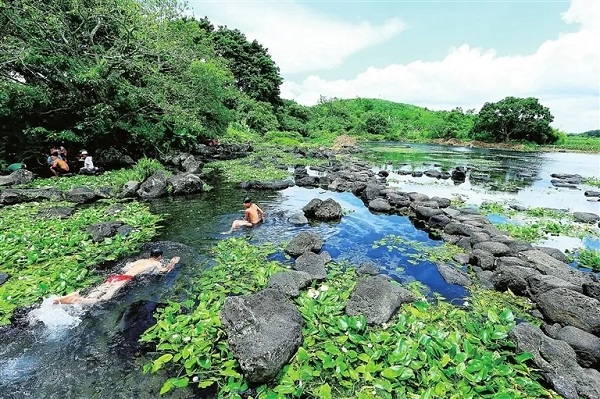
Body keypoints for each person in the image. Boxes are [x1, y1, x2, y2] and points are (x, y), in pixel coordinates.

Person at [53, 249, 180, 305]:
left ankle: (73, 295)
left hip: (117, 276)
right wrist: (173, 262)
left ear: (150, 255)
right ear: (159, 257)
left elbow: (126, 268)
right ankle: (75, 300)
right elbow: (165, 271)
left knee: (96, 292)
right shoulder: (156, 263)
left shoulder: (140, 260)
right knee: (104, 299)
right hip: (125, 280)